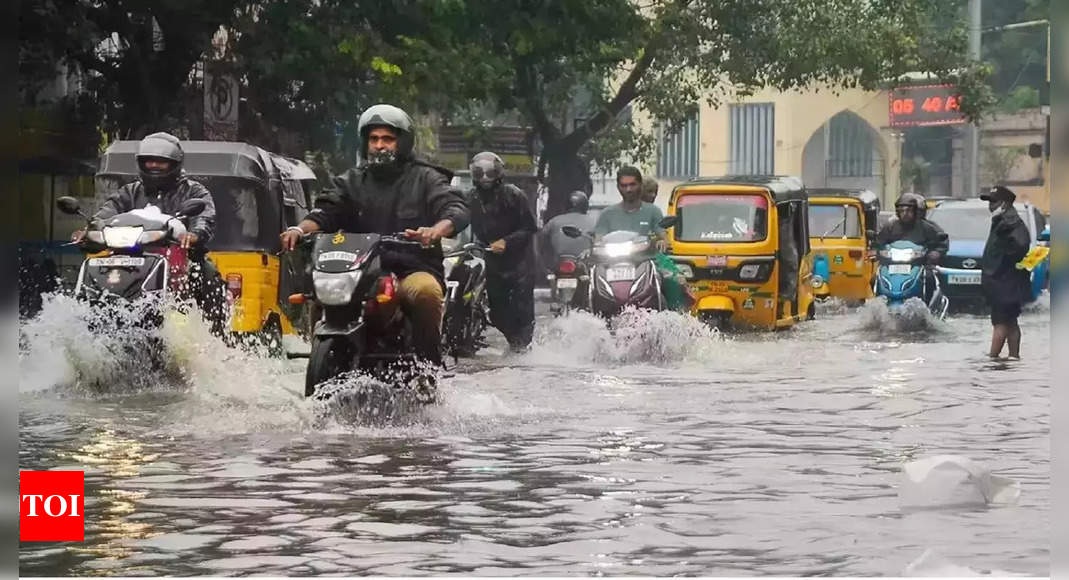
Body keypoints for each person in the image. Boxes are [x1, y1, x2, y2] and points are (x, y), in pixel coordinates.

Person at [279, 104, 469, 368]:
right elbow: (325, 211)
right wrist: (299, 230)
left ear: (402, 142)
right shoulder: (351, 181)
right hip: (359, 271)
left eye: (388, 139)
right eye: (374, 139)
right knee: (323, 294)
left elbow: (454, 209)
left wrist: (435, 230)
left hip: (410, 268)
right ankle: (321, 356)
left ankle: (429, 369)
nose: (380, 145)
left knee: (426, 293)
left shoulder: (426, 178)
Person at [72, 132, 228, 336]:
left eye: (161, 162)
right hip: (127, 256)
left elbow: (205, 216)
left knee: (208, 274)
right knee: (96, 271)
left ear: (175, 164)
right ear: (141, 163)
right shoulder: (130, 192)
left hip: (180, 257)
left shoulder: (194, 191)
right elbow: (107, 212)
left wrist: (195, 234)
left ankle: (213, 336)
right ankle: (82, 323)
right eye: (149, 161)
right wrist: (90, 230)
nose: (154, 166)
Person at [465, 151, 538, 353]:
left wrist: (507, 242)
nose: (485, 178)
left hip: (520, 264)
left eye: (490, 173)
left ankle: (523, 351)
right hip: (492, 262)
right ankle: (515, 343)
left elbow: (530, 227)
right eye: (480, 173)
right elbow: (459, 220)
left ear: (499, 173)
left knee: (522, 312)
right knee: (496, 313)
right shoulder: (470, 198)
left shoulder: (514, 195)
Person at [979, 185, 1031, 359]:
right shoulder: (1001, 221)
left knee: (1000, 323)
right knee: (1010, 321)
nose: (990, 206)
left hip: (1004, 282)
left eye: (994, 202)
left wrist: (1004, 264)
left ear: (1005, 203)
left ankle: (993, 359)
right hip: (1002, 281)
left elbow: (1020, 246)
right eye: (989, 202)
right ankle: (1014, 357)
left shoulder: (1009, 222)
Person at [876, 192, 949, 302]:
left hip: (919, 264)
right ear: (897, 212)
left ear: (915, 211)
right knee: (874, 278)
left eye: (908, 211)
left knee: (929, 278)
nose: (905, 214)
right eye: (902, 211)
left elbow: (941, 243)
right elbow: (879, 242)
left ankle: (928, 306)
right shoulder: (890, 227)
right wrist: (875, 250)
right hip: (893, 264)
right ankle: (879, 304)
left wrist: (936, 253)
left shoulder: (927, 228)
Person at [594, 166, 666, 245]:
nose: (628, 189)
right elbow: (598, 242)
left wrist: (661, 242)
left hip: (645, 256)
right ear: (618, 187)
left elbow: (663, 237)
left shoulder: (654, 211)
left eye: (632, 185)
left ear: (640, 185)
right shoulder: (607, 214)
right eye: (624, 186)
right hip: (614, 256)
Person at [539, 190, 597, 271]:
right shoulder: (593, 222)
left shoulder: (554, 221)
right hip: (584, 265)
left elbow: (541, 239)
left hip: (557, 264)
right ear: (585, 206)